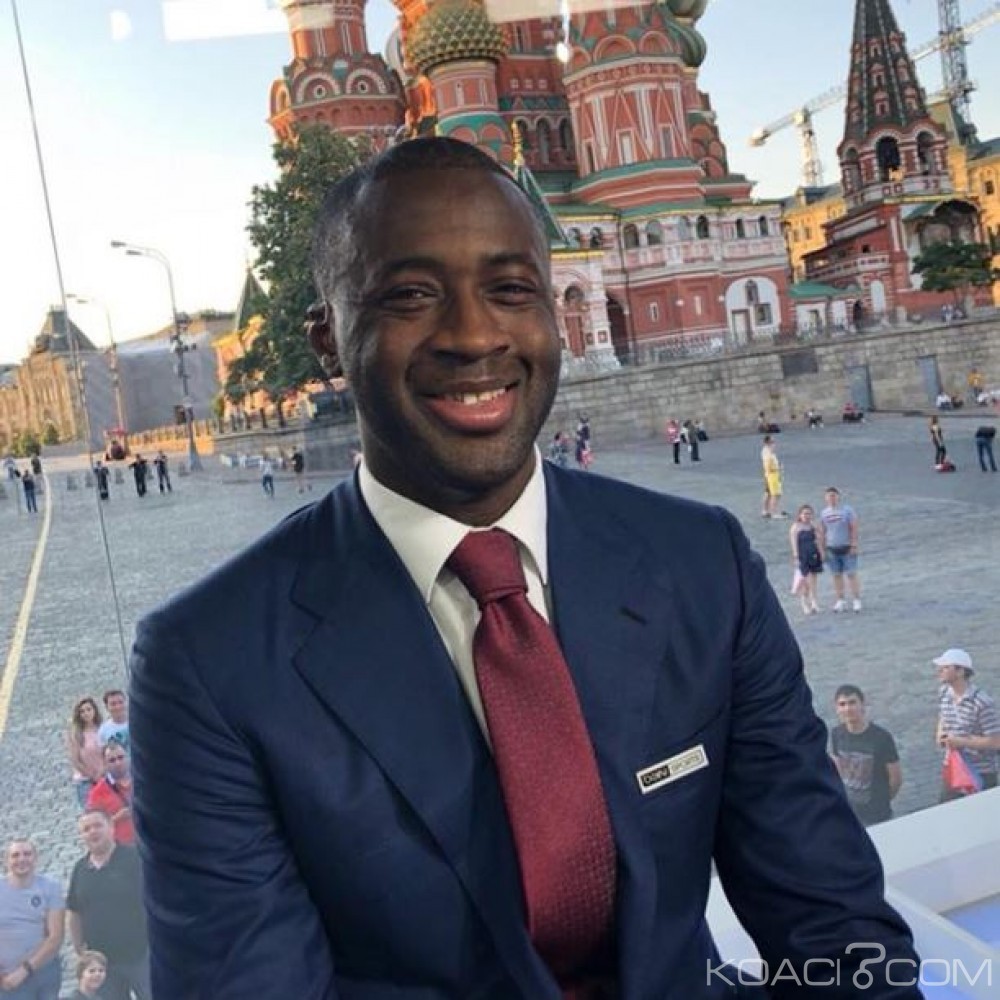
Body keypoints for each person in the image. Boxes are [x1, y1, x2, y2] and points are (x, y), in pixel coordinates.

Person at [130, 136, 921, 999]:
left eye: (511, 289)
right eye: (411, 295)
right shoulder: (210, 661)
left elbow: (831, 919)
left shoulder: (701, 565)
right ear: (329, 340)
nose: (475, 335)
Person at [66, 811, 150, 1000]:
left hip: (142, 955)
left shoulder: (135, 858)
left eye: (98, 826)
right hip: (103, 964)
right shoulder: (80, 869)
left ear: (111, 828)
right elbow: (74, 911)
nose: (92, 832)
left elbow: (157, 899)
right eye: (86, 829)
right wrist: (79, 948)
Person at [0, 839, 65, 998]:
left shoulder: (51, 887)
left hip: (44, 972)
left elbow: (55, 937)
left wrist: (25, 970)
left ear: (35, 858)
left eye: (27, 854)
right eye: (15, 855)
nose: (21, 859)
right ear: (6, 861)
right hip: (9, 976)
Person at [830, 685, 902, 826]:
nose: (847, 709)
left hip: (876, 814)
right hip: (849, 811)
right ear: (837, 709)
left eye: (852, 702)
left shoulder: (881, 737)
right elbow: (838, 766)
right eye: (842, 704)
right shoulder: (836, 734)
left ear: (862, 705)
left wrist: (881, 801)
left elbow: (896, 778)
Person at [934, 648, 1000, 801]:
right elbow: (943, 715)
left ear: (960, 671)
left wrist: (961, 742)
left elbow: (996, 741)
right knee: (947, 809)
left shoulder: (981, 702)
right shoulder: (944, 693)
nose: (940, 671)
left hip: (980, 772)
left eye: (945, 667)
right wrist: (941, 733)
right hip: (954, 767)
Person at [819, 485, 861, 612]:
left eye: (834, 496)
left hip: (847, 547)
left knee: (851, 574)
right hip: (832, 548)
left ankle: (856, 599)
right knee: (836, 575)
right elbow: (822, 532)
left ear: (838, 497)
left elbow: (853, 528)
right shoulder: (824, 513)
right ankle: (840, 600)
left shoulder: (847, 511)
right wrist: (822, 550)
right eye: (829, 496)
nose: (832, 498)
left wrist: (854, 544)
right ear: (825, 498)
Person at [86, 744, 135, 845]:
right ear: (104, 764)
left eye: (121, 758)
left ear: (128, 758)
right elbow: (93, 825)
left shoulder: (142, 781)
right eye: (112, 760)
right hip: (120, 845)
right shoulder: (97, 792)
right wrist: (117, 817)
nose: (118, 763)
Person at [67, 697, 105, 808]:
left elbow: (108, 753)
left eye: (88, 709)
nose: (86, 713)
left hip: (105, 777)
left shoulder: (103, 729)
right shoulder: (75, 734)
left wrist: (102, 772)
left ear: (94, 710)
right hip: (85, 781)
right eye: (82, 711)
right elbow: (75, 760)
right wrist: (91, 775)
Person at [788, 504, 823, 615]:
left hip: (813, 554)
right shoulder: (795, 527)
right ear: (800, 515)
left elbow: (819, 539)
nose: (807, 516)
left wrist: (821, 552)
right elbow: (794, 543)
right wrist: (796, 557)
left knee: (813, 581)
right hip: (803, 556)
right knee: (805, 582)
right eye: (805, 513)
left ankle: (814, 603)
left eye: (809, 513)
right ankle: (804, 604)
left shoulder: (812, 526)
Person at [759, 435, 785, 518]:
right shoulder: (768, 452)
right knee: (775, 494)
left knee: (768, 493)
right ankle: (774, 512)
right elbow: (768, 466)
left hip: (769, 475)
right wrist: (778, 468)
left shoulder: (767, 451)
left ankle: (765, 511)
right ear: (768, 443)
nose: (774, 443)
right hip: (772, 475)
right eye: (772, 441)